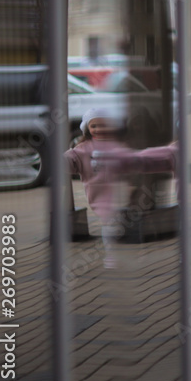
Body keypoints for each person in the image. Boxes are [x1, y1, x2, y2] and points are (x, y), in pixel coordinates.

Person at [65, 108, 129, 268]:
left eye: (103, 125)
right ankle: (111, 254)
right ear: (87, 129)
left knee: (115, 222)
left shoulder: (115, 146)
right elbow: (71, 161)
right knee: (109, 222)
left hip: (117, 190)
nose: (99, 129)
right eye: (94, 126)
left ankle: (115, 252)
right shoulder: (83, 148)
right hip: (98, 192)